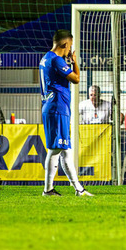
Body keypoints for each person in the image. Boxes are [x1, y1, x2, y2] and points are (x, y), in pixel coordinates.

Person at [39, 29, 93, 197]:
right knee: (55, 150)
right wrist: (74, 62)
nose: (70, 49)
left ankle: (79, 189)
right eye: (70, 46)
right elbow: (76, 79)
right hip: (57, 107)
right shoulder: (56, 60)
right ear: (65, 44)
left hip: (52, 106)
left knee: (65, 150)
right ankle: (48, 190)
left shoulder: (45, 58)